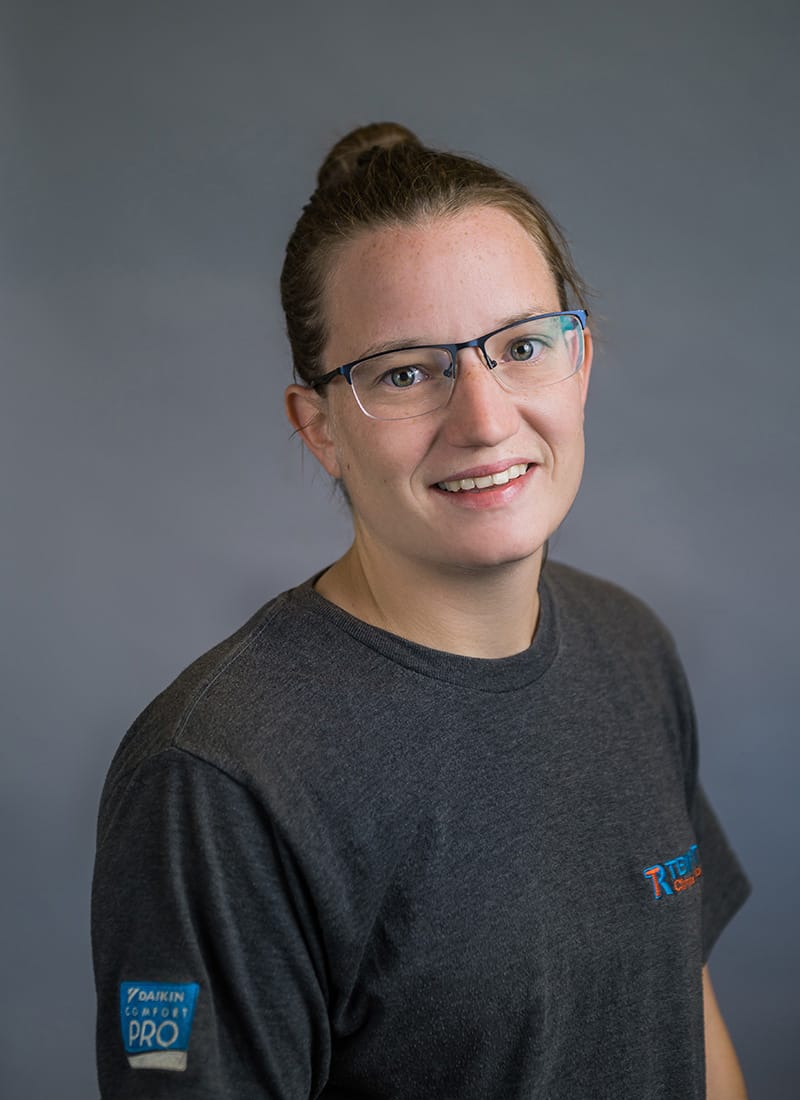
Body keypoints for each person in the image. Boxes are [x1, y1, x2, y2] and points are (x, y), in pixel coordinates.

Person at [92, 122, 750, 1099]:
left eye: (521, 345)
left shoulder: (627, 644)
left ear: (577, 363)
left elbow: (679, 1007)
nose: (484, 418)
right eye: (405, 371)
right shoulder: (219, 777)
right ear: (318, 427)